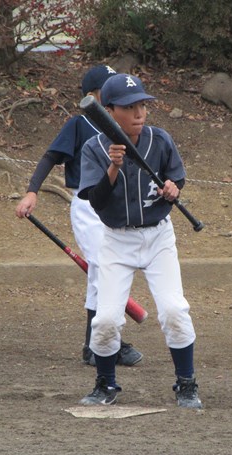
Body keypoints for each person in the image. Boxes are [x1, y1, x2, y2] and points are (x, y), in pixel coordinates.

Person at [77, 73, 202, 408]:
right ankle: (105, 384)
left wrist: (173, 188)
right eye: (129, 107)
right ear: (109, 111)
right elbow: (96, 201)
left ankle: (186, 384)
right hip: (116, 240)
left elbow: (176, 177)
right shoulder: (94, 148)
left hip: (158, 236)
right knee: (105, 319)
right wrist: (113, 168)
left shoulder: (159, 139)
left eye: (143, 105)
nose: (139, 113)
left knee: (174, 310)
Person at [15, 65, 143, 367]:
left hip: (117, 207)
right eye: (107, 90)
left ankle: (95, 344)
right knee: (105, 270)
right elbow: (51, 156)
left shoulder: (126, 128)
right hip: (88, 207)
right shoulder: (80, 124)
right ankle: (106, 342)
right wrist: (32, 191)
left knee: (104, 273)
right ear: (93, 96)